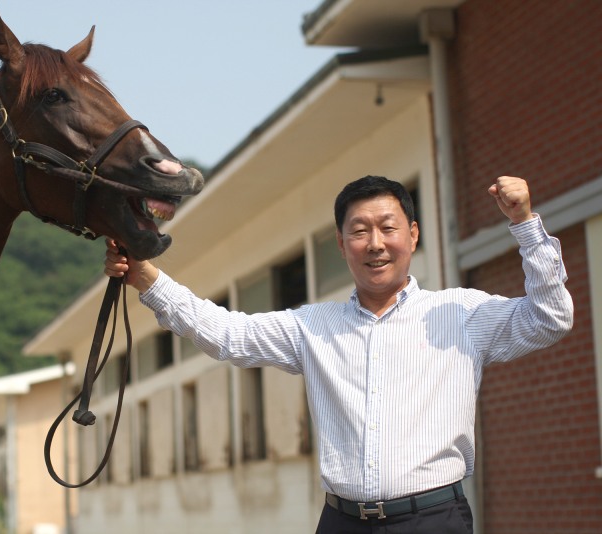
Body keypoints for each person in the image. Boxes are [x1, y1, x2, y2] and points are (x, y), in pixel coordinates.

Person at [103, 175, 573, 533]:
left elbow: (550, 317)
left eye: (387, 228)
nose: (375, 243)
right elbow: (229, 334)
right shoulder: (313, 326)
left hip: (432, 521)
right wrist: (146, 277)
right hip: (341, 521)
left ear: (412, 235)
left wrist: (525, 224)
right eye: (359, 231)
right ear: (342, 245)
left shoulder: (461, 312)